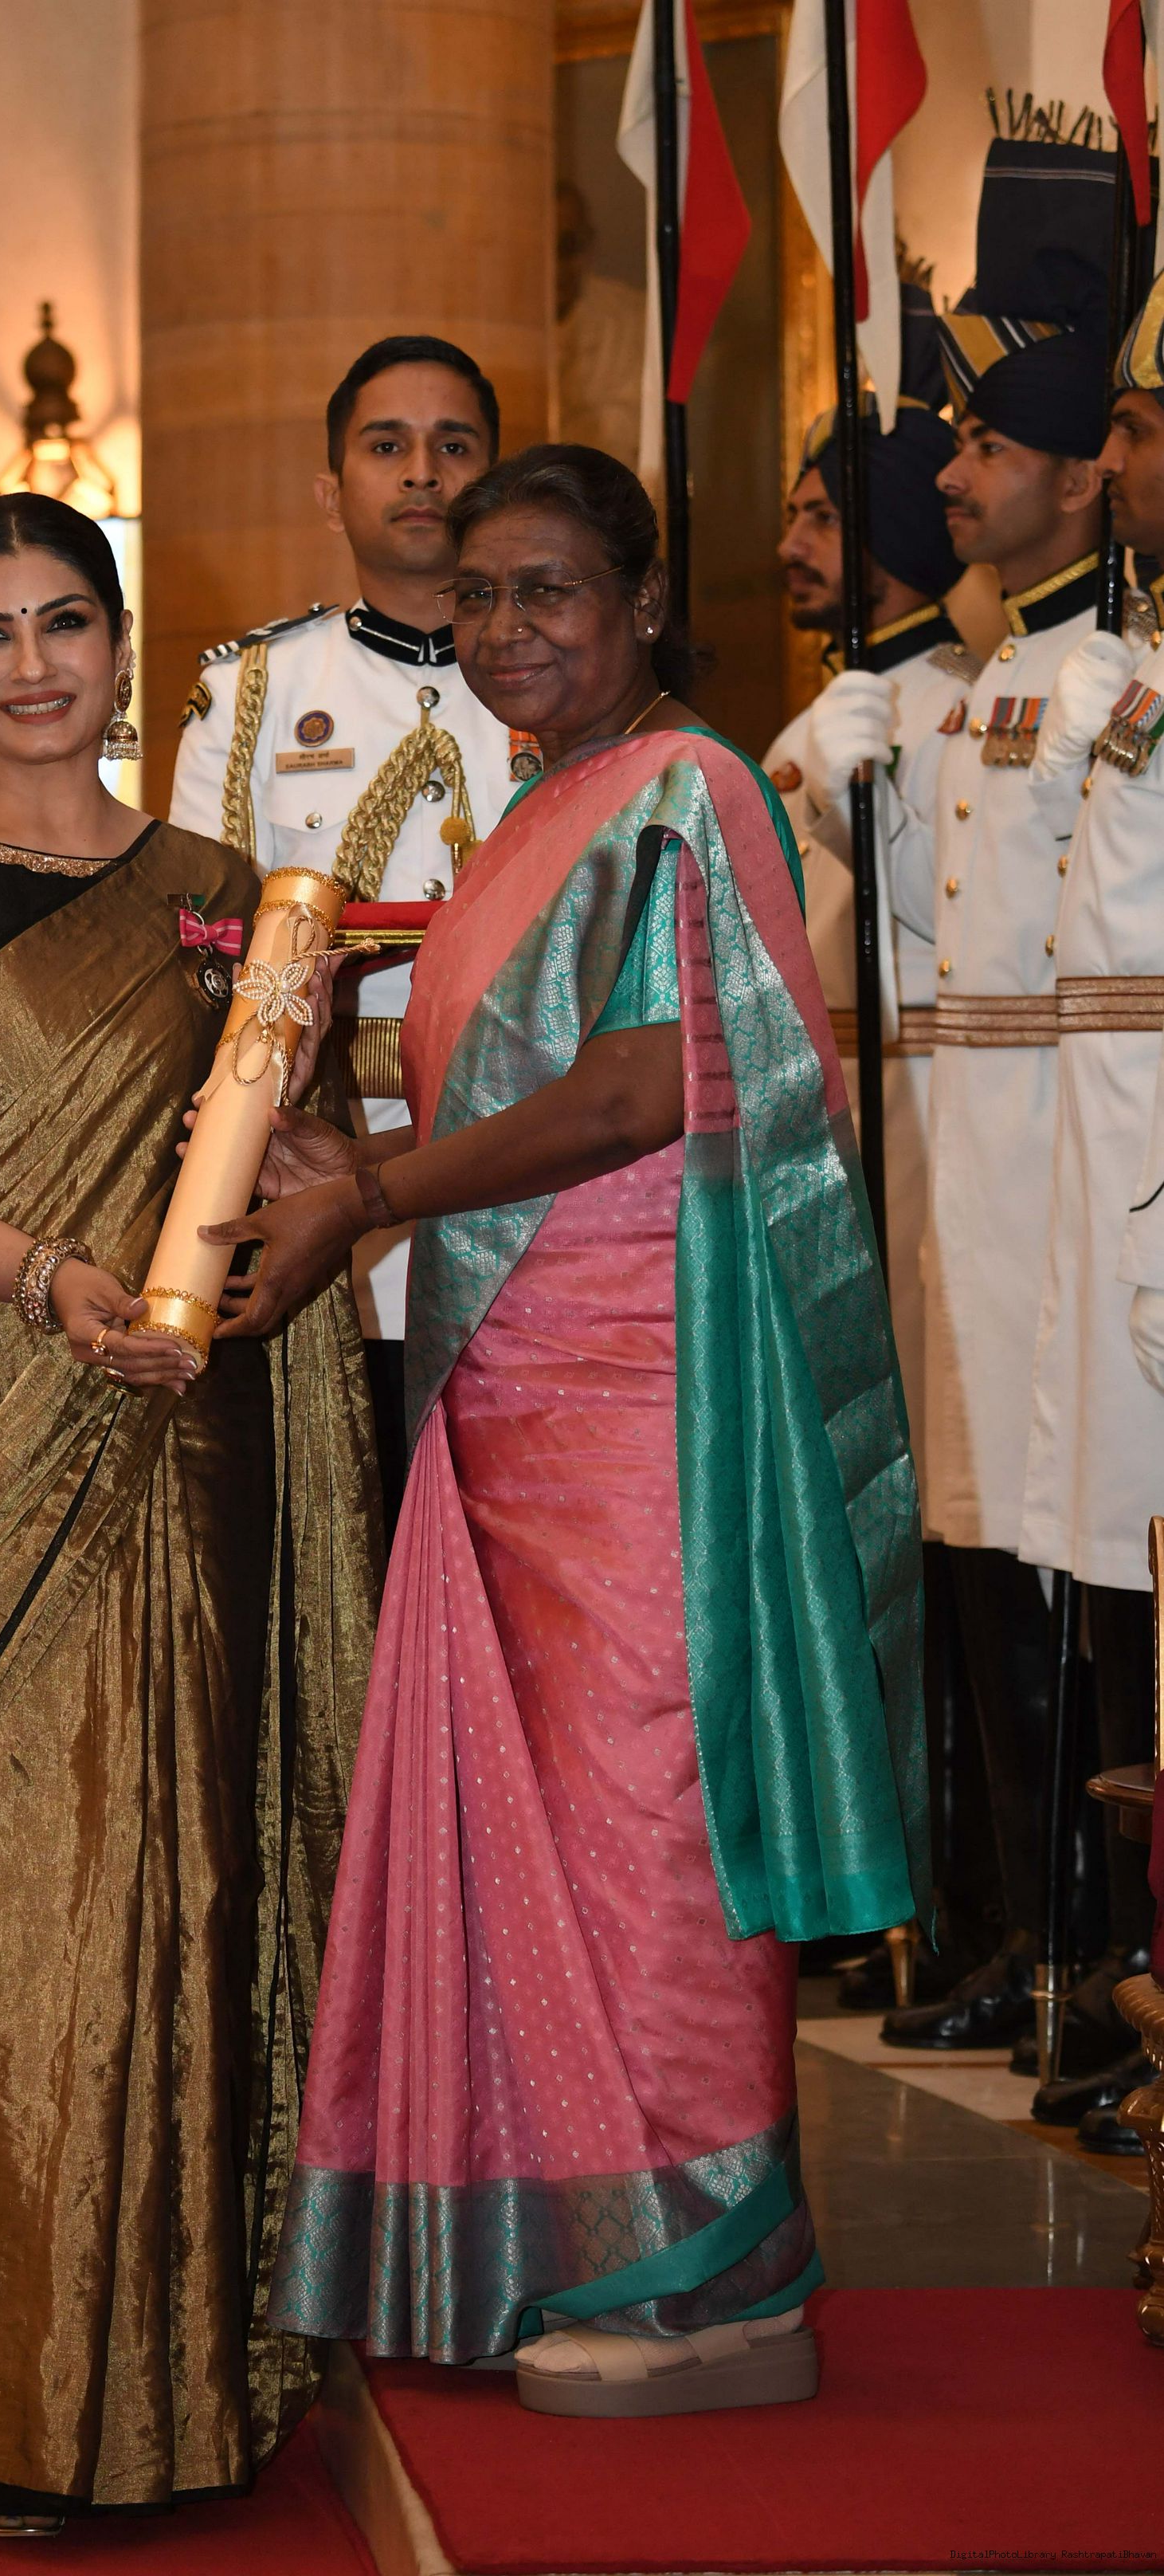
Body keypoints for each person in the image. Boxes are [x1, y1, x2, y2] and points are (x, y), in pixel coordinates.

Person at [220, 446, 926, 2413]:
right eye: (476, 595)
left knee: (647, 1822)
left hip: (644, 1397)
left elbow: (632, 1092)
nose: (505, 628)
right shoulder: (535, 811)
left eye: (548, 591)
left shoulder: (686, 789)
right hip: (508, 1396)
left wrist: (373, 1196)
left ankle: (723, 2278)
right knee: (541, 1833)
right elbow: (494, 1101)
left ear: (639, 604)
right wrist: (331, 1133)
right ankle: (579, 2229)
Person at [0, 493, 379, 2535]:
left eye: (64, 623)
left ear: (123, 646)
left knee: (191, 1861)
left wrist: (299, 1141)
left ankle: (192, 2364)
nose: (31, 665)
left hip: (189, 1409)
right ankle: (10, 2391)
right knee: (19, 1879)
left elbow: (294, 1146)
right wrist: (49, 1279)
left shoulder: (223, 893)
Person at [882, 137, 1112, 2057]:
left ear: (1077, 475)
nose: (947, 477)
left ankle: (1088, 1945)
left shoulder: (1111, 679)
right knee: (977, 1547)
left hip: (1073, 1186)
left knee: (1073, 1562)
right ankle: (1026, 1930)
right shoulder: (968, 687)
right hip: (965, 1181)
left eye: (983, 446)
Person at [170, 335, 519, 1522]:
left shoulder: (560, 679)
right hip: (310, 1160)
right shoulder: (252, 692)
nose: (422, 472)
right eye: (386, 446)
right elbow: (198, 959)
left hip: (518, 1154)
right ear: (332, 491)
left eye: (453, 445)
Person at [765, 286, 987, 2006]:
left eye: (825, 513)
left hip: (923, 1157)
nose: (791, 543)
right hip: (822, 1160)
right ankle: (875, 1875)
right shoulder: (841, 705)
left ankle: (945, 1891)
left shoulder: (943, 707)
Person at [1009, 269, 1164, 2126]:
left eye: (1131, 428)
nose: (1109, 463)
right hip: (1102, 1155)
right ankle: (1136, 1975)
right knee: (1117, 1559)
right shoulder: (1125, 664)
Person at [555, 179, 645, 469]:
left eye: (568, 247)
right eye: (541, 248)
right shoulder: (490, 331)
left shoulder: (633, 322)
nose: (556, 265)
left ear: (589, 245)